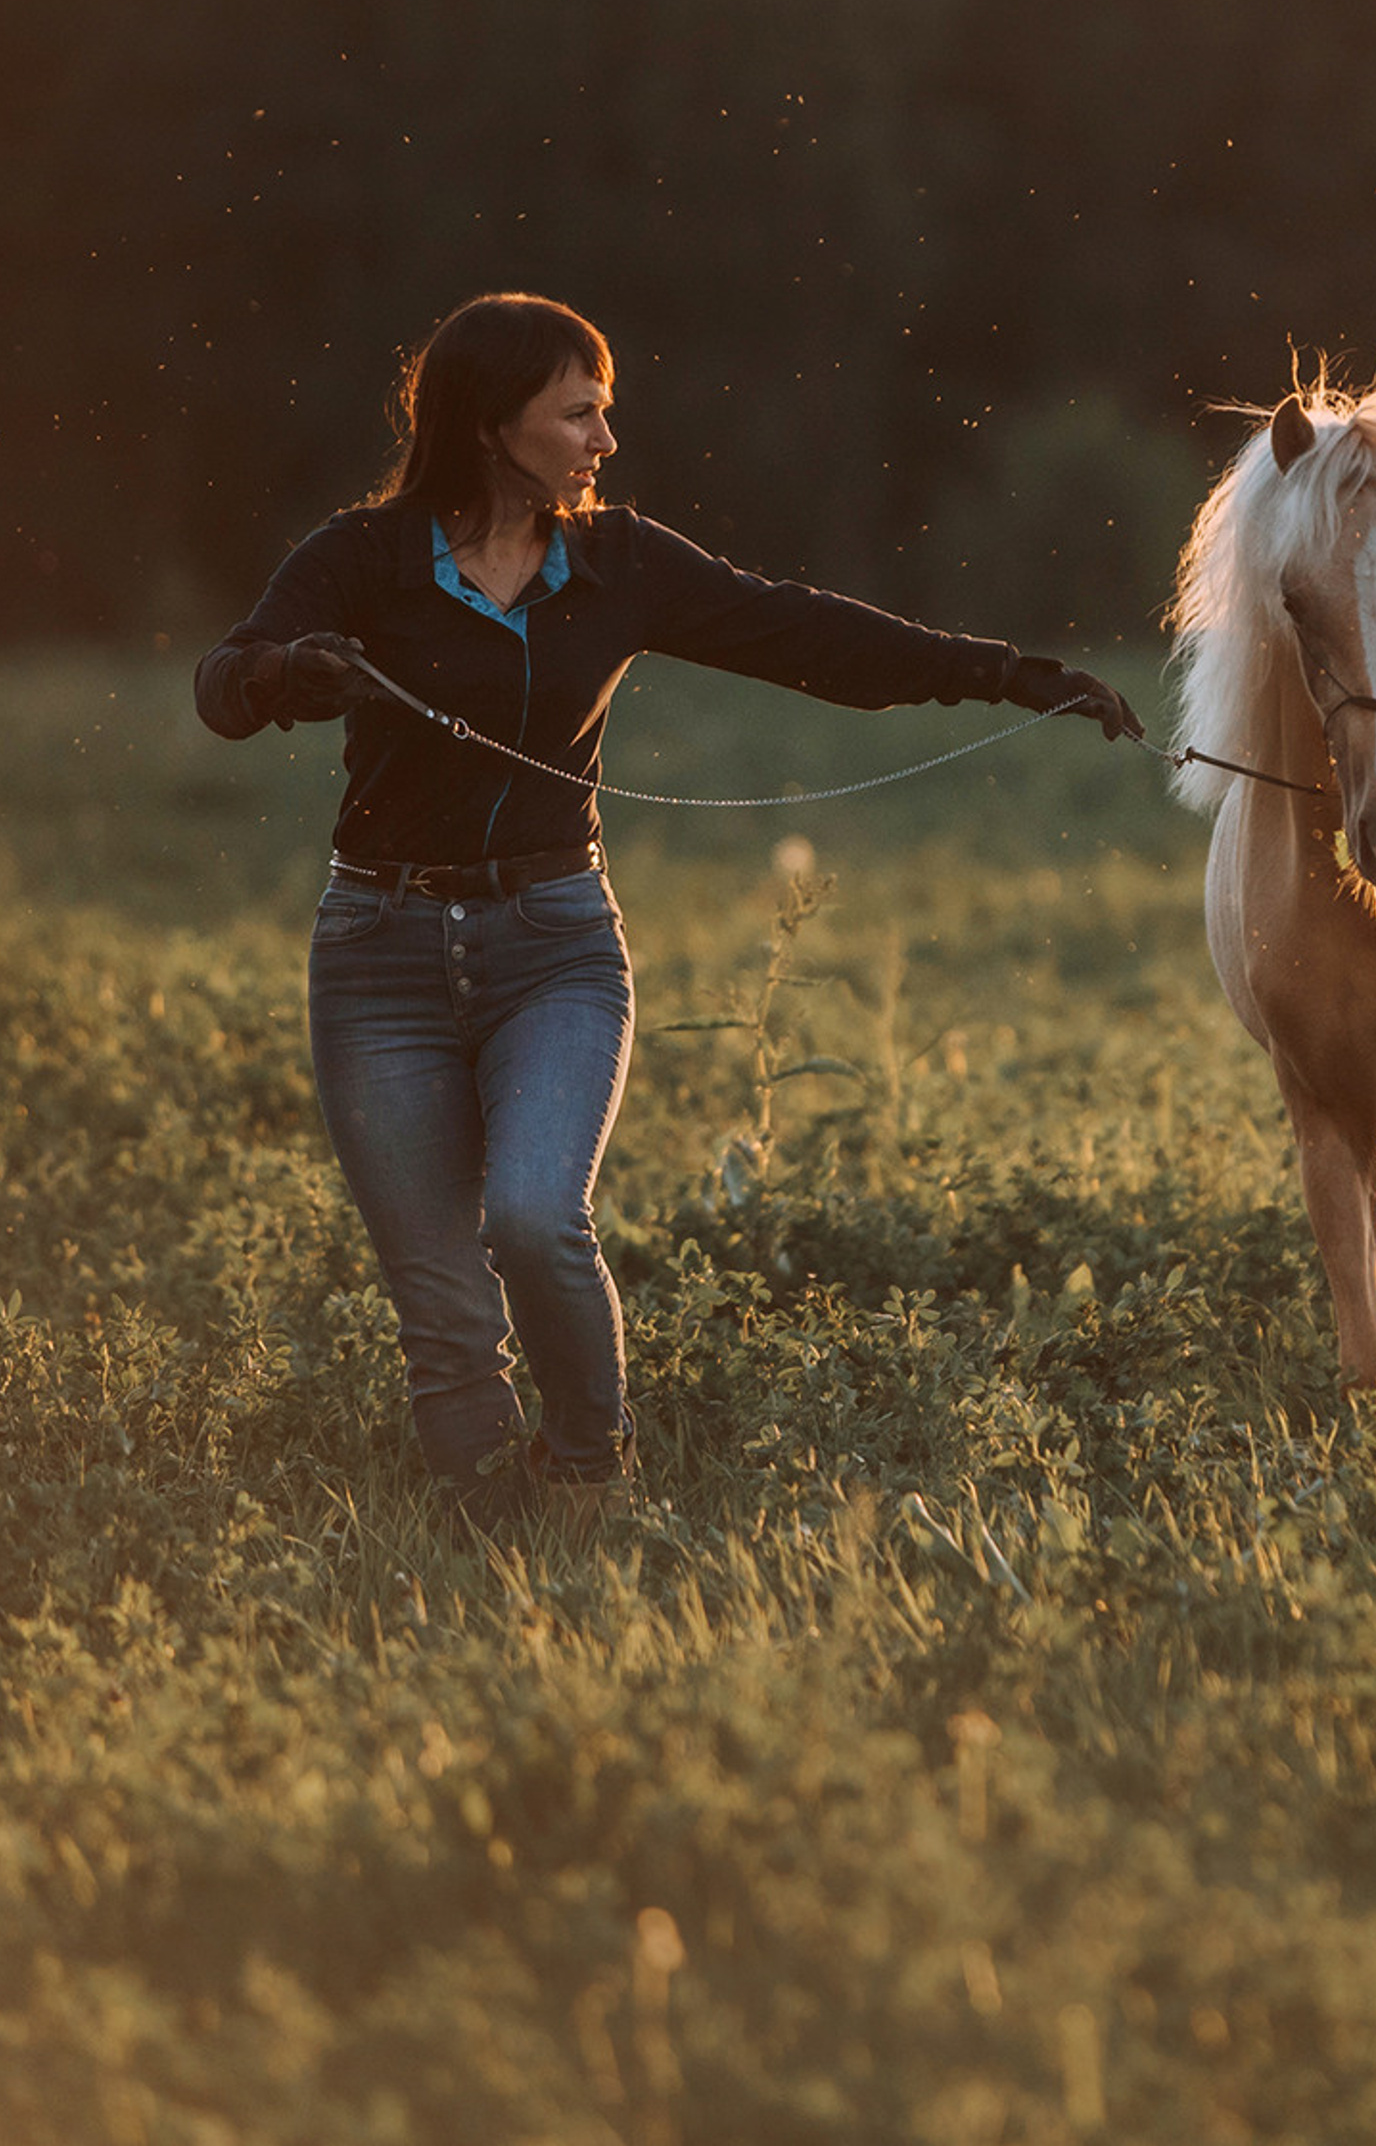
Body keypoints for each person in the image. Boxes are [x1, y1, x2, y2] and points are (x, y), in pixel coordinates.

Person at [196, 292, 1143, 1530]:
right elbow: (223, 687)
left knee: (536, 1219)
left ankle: (590, 1481)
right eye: (578, 412)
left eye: (606, 411)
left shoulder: (622, 561)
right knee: (439, 1297)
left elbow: (811, 637)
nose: (605, 440)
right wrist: (282, 674)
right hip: (379, 958)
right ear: (490, 424)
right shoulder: (360, 556)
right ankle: (490, 1541)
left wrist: (1013, 676)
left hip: (555, 946)